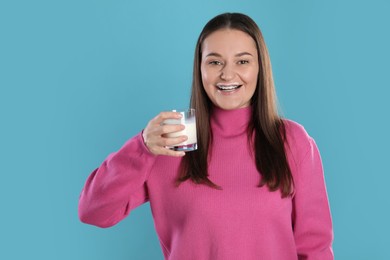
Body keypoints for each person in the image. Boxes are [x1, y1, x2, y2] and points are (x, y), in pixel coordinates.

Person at [79, 12, 334, 260]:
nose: (227, 74)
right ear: (199, 69)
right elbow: (93, 211)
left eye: (242, 61)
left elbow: (315, 249)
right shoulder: (172, 140)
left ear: (260, 68)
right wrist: (142, 147)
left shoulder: (292, 142)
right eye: (214, 61)